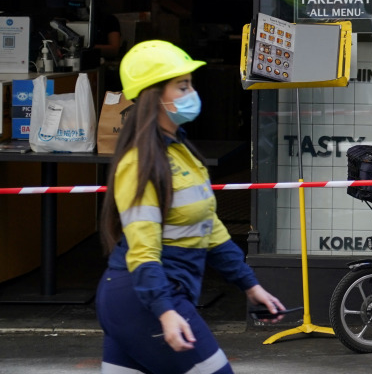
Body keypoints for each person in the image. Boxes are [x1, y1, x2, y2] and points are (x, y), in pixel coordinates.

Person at [97, 40, 285, 373]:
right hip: (148, 302)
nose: (191, 93)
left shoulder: (180, 151)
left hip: (144, 300)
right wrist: (165, 311)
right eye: (182, 86)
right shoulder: (139, 163)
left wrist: (249, 285)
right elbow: (143, 252)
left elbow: (210, 228)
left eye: (190, 85)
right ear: (155, 96)